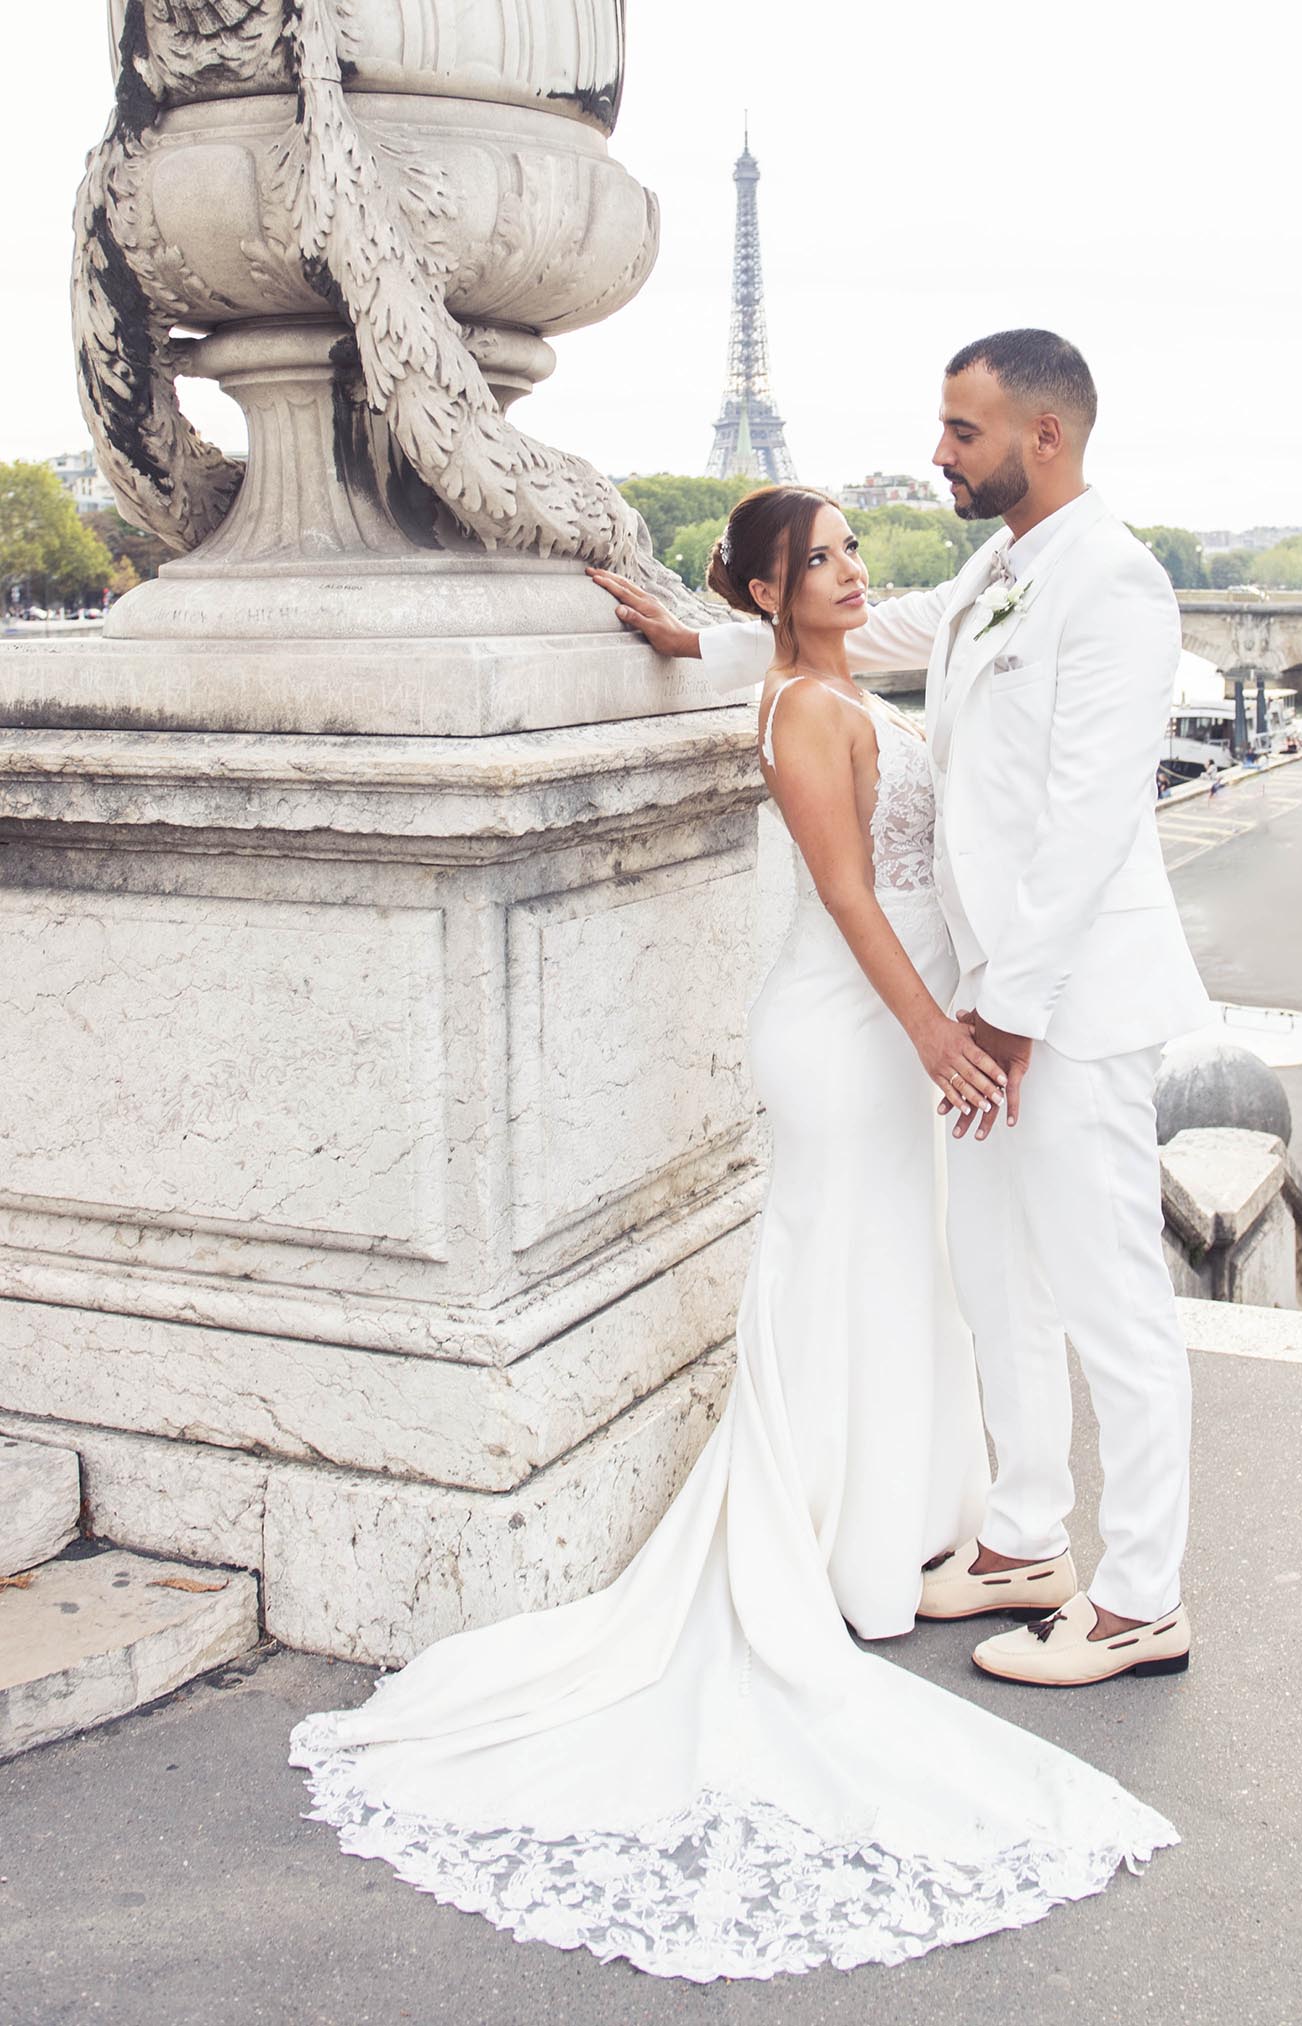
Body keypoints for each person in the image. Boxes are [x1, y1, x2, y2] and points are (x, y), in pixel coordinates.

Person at [292, 480, 1177, 1983]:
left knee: (900, 1274)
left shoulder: (861, 655)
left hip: (902, 1027)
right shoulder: (807, 708)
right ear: (771, 588)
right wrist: (940, 1035)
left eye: (850, 547)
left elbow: (880, 642)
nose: (852, 567)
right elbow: (846, 894)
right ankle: (843, 1545)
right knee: (846, 1272)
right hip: (860, 1029)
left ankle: (894, 1534)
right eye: (820, 557)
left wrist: (695, 634)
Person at [591, 329, 1210, 1691]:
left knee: (1107, 1290)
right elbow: (851, 637)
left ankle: (1139, 1599)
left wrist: (1007, 1015)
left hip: (1066, 1007)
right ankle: (1025, 1538)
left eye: (961, 431)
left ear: (1043, 437)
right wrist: (702, 638)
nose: (938, 453)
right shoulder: (1001, 568)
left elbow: (1089, 822)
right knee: (995, 1274)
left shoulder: (1114, 583)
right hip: (991, 1005)